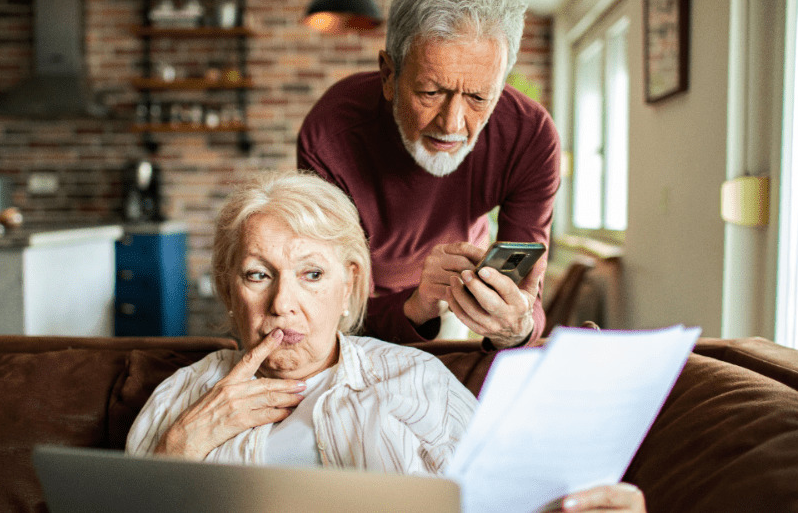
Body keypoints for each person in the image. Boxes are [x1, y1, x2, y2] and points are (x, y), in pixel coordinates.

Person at [125, 171, 646, 512]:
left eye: (311, 274)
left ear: (350, 283)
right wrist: (184, 444)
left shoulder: (415, 379)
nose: (284, 303)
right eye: (259, 275)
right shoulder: (185, 395)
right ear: (228, 288)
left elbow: (503, 503)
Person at [297, 0, 561, 350]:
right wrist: (416, 303)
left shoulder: (530, 135)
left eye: (478, 97)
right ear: (389, 76)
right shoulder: (330, 133)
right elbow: (329, 302)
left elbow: (529, 304)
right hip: (362, 300)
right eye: (430, 93)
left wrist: (516, 326)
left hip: (457, 295)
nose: (452, 124)